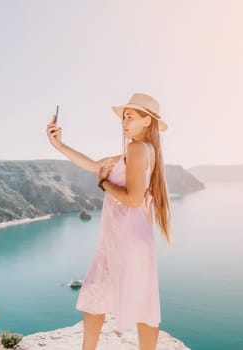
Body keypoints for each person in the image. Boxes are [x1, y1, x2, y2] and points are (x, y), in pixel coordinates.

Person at [45, 92, 172, 350]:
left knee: (97, 293)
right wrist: (59, 145)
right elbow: (93, 164)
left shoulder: (137, 149)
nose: (124, 122)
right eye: (123, 117)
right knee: (137, 300)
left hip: (125, 237)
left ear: (147, 121)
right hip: (129, 236)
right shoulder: (140, 150)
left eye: (130, 116)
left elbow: (133, 199)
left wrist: (104, 184)